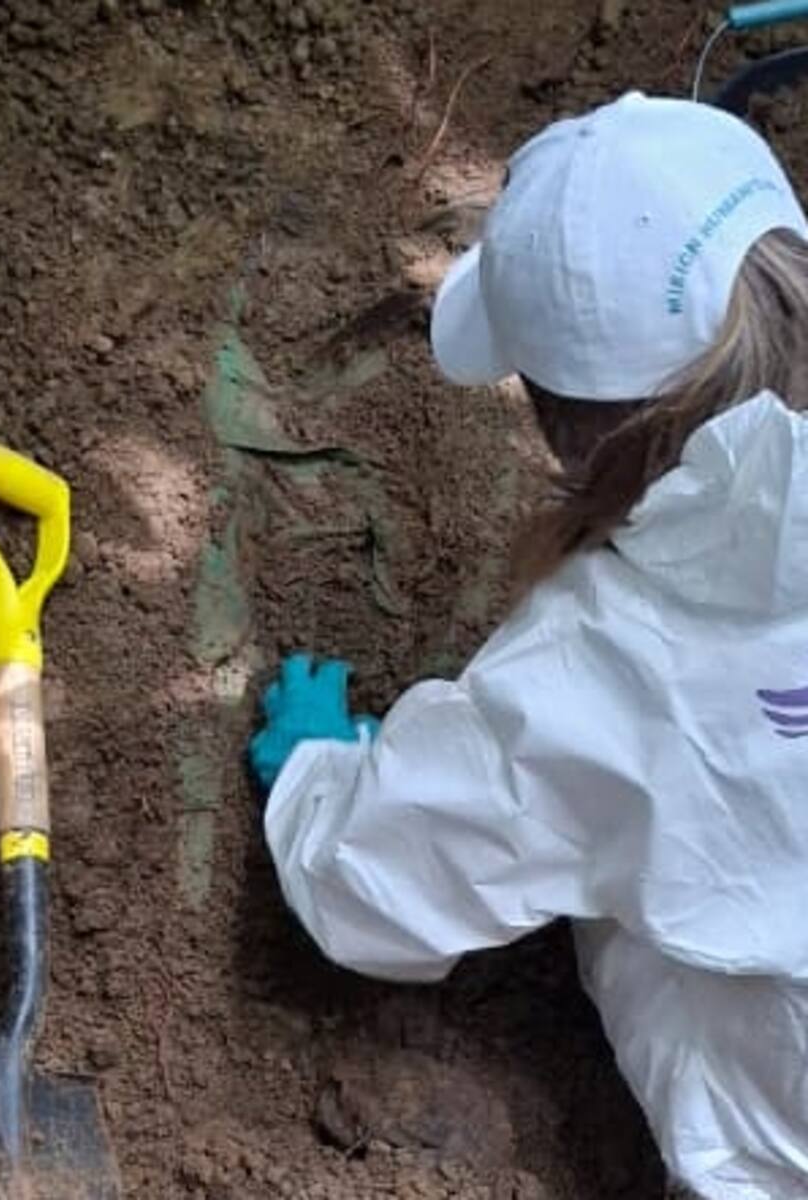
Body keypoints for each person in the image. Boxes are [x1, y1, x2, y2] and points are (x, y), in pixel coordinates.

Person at [249, 91, 808, 1200]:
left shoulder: (594, 669)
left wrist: (318, 777)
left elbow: (376, 894)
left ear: (563, 425)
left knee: (666, 962)